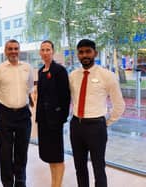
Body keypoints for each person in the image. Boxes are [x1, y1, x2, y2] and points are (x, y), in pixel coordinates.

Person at [69, 39, 125, 187]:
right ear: (77, 55)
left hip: (96, 127)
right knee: (79, 168)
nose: (84, 55)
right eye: (81, 52)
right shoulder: (73, 75)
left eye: (88, 51)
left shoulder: (107, 75)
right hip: (76, 126)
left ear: (95, 53)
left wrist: (106, 122)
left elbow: (119, 105)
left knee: (98, 168)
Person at [0, 39, 34, 187]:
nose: (13, 51)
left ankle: (21, 182)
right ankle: (7, 183)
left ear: (19, 50)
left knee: (22, 152)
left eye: (16, 48)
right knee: (5, 152)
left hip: (23, 115)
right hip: (5, 115)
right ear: (5, 51)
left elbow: (29, 88)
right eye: (10, 49)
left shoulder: (27, 68)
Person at [35, 40, 70, 187]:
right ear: (40, 52)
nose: (45, 52)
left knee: (57, 155)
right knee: (49, 155)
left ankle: (57, 185)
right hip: (43, 120)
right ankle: (53, 183)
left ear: (53, 51)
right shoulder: (41, 71)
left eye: (48, 49)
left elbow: (65, 96)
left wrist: (61, 118)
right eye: (42, 50)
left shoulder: (59, 70)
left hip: (55, 120)